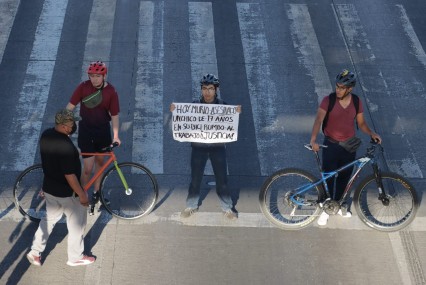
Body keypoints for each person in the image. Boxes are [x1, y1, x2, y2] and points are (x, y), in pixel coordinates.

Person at [310, 69, 382, 226]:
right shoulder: (328, 100)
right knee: (328, 178)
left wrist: (371, 133)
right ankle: (325, 209)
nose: (338, 90)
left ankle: (339, 204)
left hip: (349, 145)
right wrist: (313, 139)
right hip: (330, 144)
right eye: (337, 86)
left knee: (344, 178)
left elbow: (361, 123)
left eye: (342, 87)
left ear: (350, 89)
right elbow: (318, 120)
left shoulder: (356, 102)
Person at [26, 109, 95, 266]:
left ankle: (35, 252)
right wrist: (82, 195)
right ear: (64, 126)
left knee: (48, 219)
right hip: (67, 194)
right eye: (72, 123)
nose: (74, 126)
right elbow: (70, 176)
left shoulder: (46, 135)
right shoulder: (65, 146)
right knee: (77, 223)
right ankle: (75, 257)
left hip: (50, 188)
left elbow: (51, 161)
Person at [170, 74, 241, 220]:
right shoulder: (193, 106)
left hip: (218, 148)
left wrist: (236, 113)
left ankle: (227, 208)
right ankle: (191, 205)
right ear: (201, 90)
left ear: (216, 90)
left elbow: (230, 125)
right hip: (198, 148)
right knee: (195, 179)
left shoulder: (224, 106)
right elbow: (183, 123)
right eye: (204, 88)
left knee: (222, 179)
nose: (207, 92)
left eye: (210, 89)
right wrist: (174, 112)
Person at [66, 61, 120, 207]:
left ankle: (97, 193)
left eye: (98, 76)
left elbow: (114, 115)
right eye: (92, 76)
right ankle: (82, 194)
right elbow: (69, 108)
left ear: (104, 76)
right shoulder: (83, 87)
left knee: (101, 164)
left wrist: (115, 135)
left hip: (102, 132)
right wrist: (63, 127)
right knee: (88, 168)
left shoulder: (111, 92)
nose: (94, 79)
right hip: (86, 132)